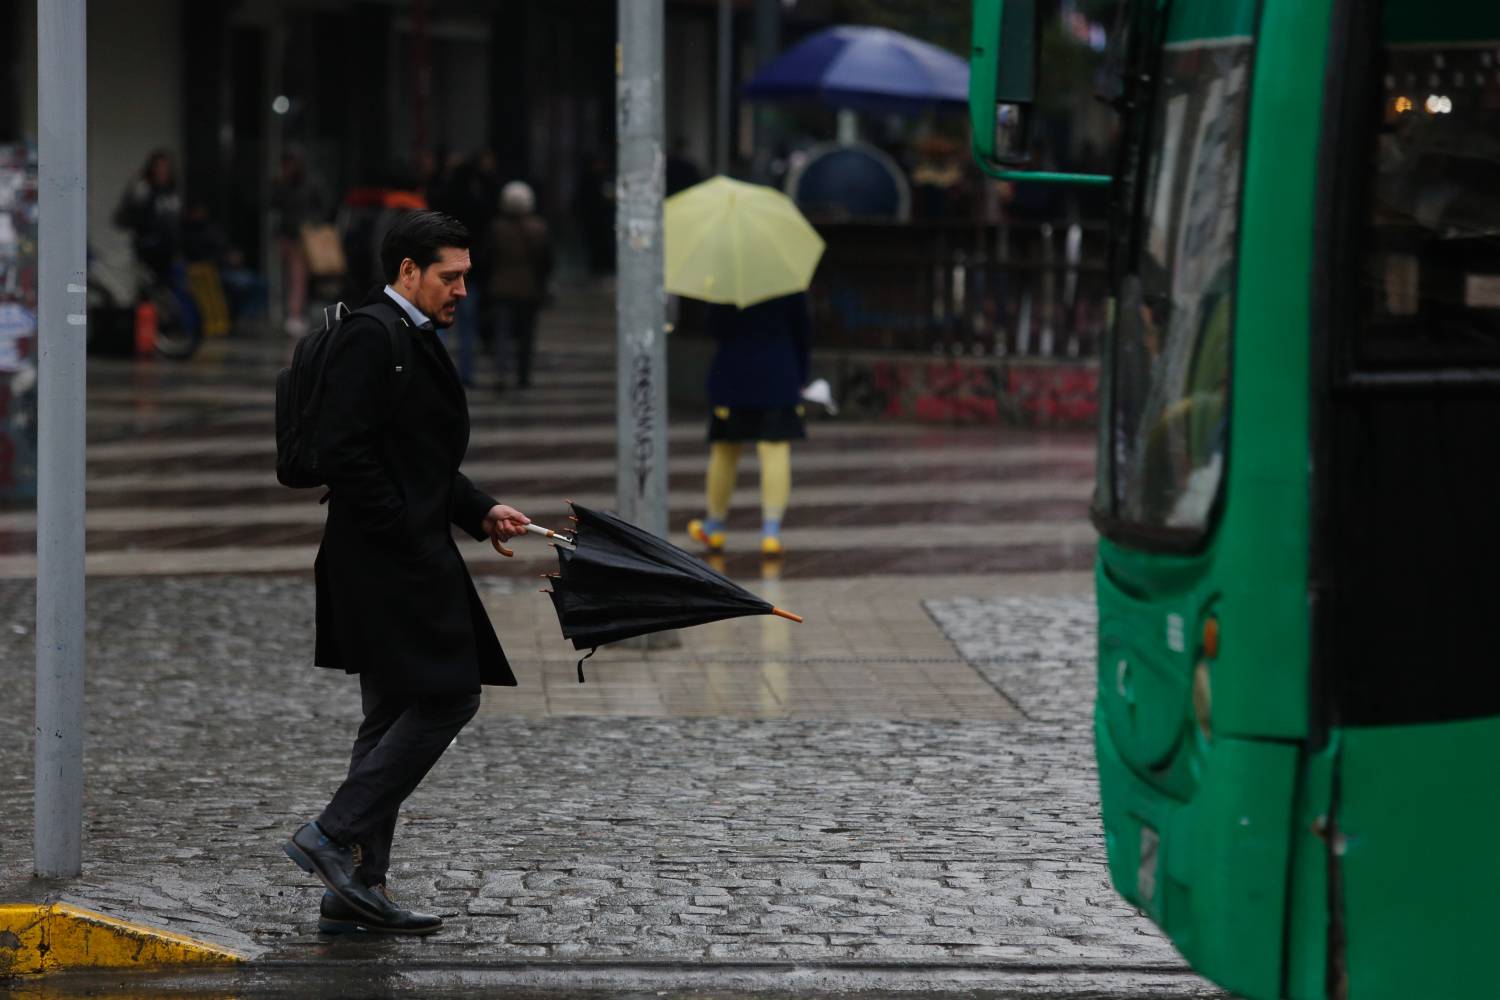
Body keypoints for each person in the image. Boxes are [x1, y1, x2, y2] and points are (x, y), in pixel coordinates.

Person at [281, 211, 531, 935]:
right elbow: (344, 451)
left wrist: (479, 509)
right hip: (387, 559)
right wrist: (407, 531)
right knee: (451, 695)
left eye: (465, 277)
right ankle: (333, 834)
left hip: (391, 551)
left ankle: (357, 884)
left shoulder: (406, 335)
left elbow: (416, 456)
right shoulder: (373, 335)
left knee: (390, 713)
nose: (461, 290)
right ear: (407, 272)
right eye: (449, 277)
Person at [686, 292, 811, 558]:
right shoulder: (787, 279)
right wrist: (801, 374)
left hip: (733, 376)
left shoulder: (726, 278)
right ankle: (771, 533)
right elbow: (802, 331)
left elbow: (714, 327)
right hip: (779, 373)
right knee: (775, 451)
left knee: (724, 452)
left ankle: (715, 526)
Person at [484, 181, 553, 390]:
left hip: (501, 286)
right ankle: (523, 374)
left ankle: (501, 372)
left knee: (502, 333)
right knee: (527, 334)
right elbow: (546, 261)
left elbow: (488, 257)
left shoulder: (496, 228)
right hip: (529, 288)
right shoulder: (539, 228)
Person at [270, 150, 329, 337]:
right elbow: (273, 203)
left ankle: (295, 313)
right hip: (287, 235)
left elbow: (322, 206)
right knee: (288, 276)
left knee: (298, 277)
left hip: (302, 236)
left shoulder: (309, 184)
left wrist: (311, 224)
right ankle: (291, 312)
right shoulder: (283, 185)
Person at [114, 149, 182, 280]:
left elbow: (175, 221)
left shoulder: (171, 192)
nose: (162, 171)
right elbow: (128, 215)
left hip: (168, 251)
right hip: (147, 249)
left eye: (166, 167)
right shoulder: (143, 188)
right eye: (159, 167)